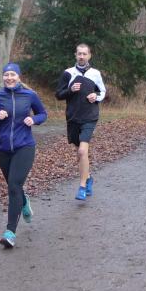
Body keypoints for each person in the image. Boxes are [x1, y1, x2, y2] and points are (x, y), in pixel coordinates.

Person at [0, 63, 48, 248]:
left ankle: (10, 232)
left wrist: (34, 119)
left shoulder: (29, 95)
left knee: (13, 186)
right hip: (2, 149)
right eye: (6, 75)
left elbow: (43, 114)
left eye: (12, 74)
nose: (9, 77)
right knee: (14, 186)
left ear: (18, 77)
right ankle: (24, 201)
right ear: (3, 77)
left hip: (24, 147)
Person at [55, 43, 106, 201]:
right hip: (73, 118)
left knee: (82, 151)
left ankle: (82, 187)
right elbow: (58, 94)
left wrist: (96, 96)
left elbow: (102, 91)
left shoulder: (95, 73)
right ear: (75, 55)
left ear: (89, 55)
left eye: (85, 54)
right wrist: (70, 90)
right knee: (80, 153)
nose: (82, 56)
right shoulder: (68, 73)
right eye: (79, 54)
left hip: (90, 116)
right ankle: (88, 177)